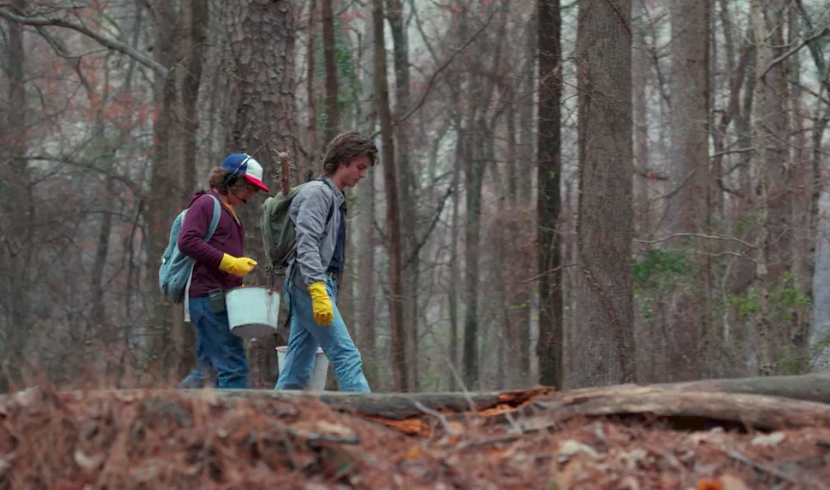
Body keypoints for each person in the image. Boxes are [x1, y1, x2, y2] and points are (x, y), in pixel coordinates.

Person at [275, 132, 377, 392]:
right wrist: (318, 288)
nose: (362, 175)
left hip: (315, 286)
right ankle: (368, 420)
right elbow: (306, 243)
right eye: (360, 167)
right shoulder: (317, 194)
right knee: (347, 356)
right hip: (309, 286)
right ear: (343, 162)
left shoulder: (334, 197)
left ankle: (271, 420)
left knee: (296, 369)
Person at [177, 153, 269, 389]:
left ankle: (167, 412)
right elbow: (187, 241)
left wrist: (236, 280)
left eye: (255, 190)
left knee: (207, 373)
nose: (251, 193)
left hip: (218, 298)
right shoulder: (207, 203)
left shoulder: (225, 208)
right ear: (230, 181)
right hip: (209, 299)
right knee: (233, 368)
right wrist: (229, 263)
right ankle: (238, 424)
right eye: (249, 187)